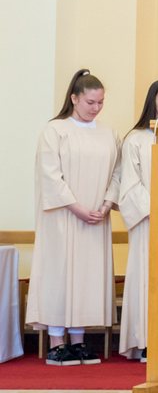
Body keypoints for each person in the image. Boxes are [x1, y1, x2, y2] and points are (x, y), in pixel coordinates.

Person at [27, 69, 119, 366]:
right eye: (90, 102)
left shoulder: (109, 133)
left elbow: (118, 173)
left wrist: (106, 205)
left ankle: (78, 341)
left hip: (95, 218)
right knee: (60, 273)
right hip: (63, 218)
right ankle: (56, 342)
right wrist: (77, 208)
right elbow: (50, 176)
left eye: (101, 102)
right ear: (74, 98)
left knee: (87, 277)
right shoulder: (55, 130)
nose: (96, 108)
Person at [115, 79, 158, 361]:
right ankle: (148, 341)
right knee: (148, 279)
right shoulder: (136, 139)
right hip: (149, 221)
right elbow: (130, 183)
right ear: (152, 102)